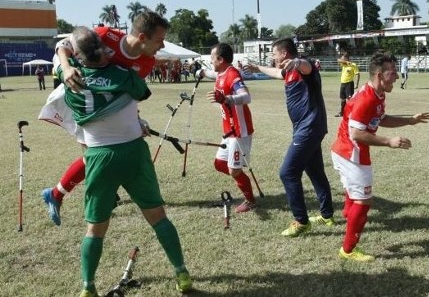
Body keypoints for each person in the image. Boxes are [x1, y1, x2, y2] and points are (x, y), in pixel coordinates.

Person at [58, 27, 192, 297]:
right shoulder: (126, 76)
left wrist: (66, 60)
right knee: (158, 218)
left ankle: (88, 287)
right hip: (133, 153)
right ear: (105, 50)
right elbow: (142, 92)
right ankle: (181, 272)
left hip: (97, 156)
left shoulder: (68, 74)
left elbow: (63, 50)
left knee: (95, 229)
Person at [39, 10, 168, 226]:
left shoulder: (146, 63)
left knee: (96, 155)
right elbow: (63, 46)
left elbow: (126, 94)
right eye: (160, 40)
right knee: (94, 154)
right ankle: (65, 195)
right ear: (143, 37)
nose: (162, 46)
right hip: (81, 99)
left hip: (104, 107)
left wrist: (136, 119)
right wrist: (68, 67)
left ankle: (59, 194)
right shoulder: (105, 34)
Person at [331, 52, 429, 261]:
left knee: (354, 195)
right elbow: (356, 133)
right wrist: (389, 142)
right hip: (352, 154)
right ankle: (348, 250)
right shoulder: (366, 98)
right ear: (379, 75)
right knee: (363, 200)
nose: (396, 77)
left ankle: (349, 221)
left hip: (345, 151)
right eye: (392, 73)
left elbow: (381, 118)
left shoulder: (377, 94)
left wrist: (410, 121)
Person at [244, 38, 334, 237]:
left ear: (284, 53)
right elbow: (277, 73)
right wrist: (257, 67)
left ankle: (301, 221)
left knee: (287, 172)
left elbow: (307, 67)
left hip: (309, 127)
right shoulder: (288, 70)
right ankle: (327, 215)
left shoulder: (303, 66)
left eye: (274, 54)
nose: (273, 57)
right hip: (307, 127)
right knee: (315, 171)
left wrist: (297, 62)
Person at [198, 43, 257, 213]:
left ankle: (250, 200)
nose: (210, 61)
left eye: (212, 58)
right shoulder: (221, 73)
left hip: (239, 130)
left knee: (233, 170)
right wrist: (202, 72)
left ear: (221, 59)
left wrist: (227, 99)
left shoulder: (232, 74)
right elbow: (213, 74)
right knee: (219, 164)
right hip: (229, 131)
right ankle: (239, 175)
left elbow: (246, 96)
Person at [335, 53, 360, 117]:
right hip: (342, 84)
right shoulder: (344, 64)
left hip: (349, 84)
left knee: (350, 99)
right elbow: (337, 60)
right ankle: (342, 113)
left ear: (347, 58)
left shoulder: (353, 65)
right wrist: (345, 61)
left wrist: (357, 84)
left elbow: (357, 74)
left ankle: (351, 113)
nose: (342, 59)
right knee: (342, 99)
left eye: (343, 58)